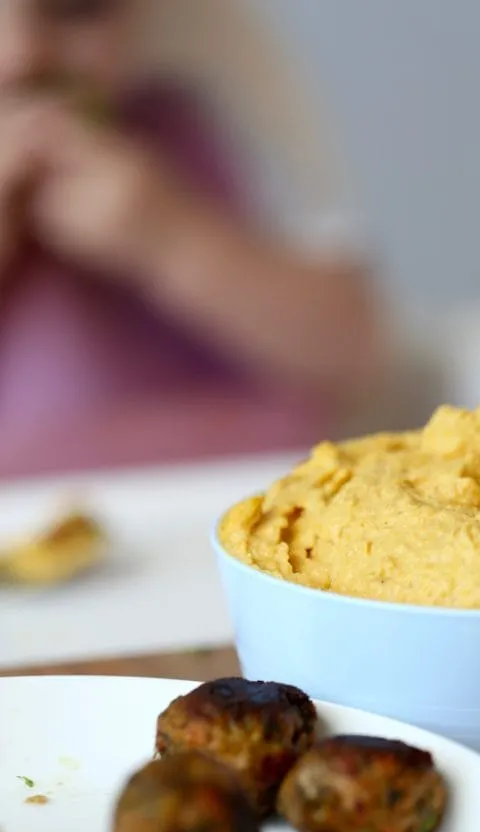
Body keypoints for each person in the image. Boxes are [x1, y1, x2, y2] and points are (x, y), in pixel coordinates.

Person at [0, 0, 382, 479]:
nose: (22, 56)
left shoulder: (184, 134)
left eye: (76, 9)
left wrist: (169, 237)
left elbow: (350, 352)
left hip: (245, 491)